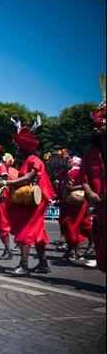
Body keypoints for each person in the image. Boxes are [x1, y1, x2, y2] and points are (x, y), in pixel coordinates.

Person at [0, 122, 55, 276]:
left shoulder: (35, 160)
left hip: (36, 200)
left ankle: (24, 265)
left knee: (26, 230)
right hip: (31, 201)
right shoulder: (27, 161)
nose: (17, 150)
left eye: (19, 147)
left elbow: (28, 178)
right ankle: (43, 264)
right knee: (38, 232)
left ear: (24, 148)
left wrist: (6, 182)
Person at [80, 95, 106, 272]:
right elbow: (84, 178)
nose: (97, 129)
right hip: (100, 205)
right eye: (95, 126)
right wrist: (88, 191)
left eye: (101, 125)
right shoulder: (90, 154)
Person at [58, 156, 91, 261]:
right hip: (69, 204)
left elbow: (86, 185)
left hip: (76, 205)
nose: (66, 163)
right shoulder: (66, 173)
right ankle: (73, 250)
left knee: (72, 227)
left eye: (68, 161)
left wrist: (74, 188)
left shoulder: (77, 171)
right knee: (71, 226)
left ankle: (77, 251)